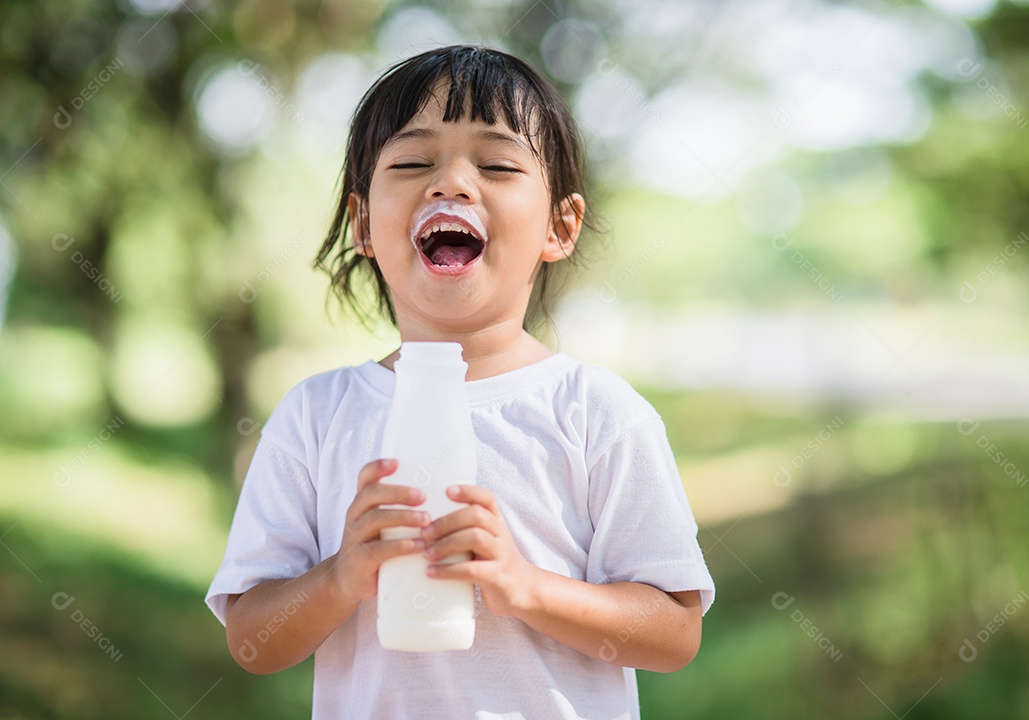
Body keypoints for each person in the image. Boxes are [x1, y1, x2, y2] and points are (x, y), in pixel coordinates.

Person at [206, 44, 714, 720]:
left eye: (497, 165)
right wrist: (340, 578)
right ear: (362, 223)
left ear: (559, 227)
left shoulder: (598, 413)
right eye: (414, 162)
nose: (451, 183)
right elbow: (251, 641)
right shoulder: (317, 415)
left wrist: (525, 587)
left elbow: (674, 632)